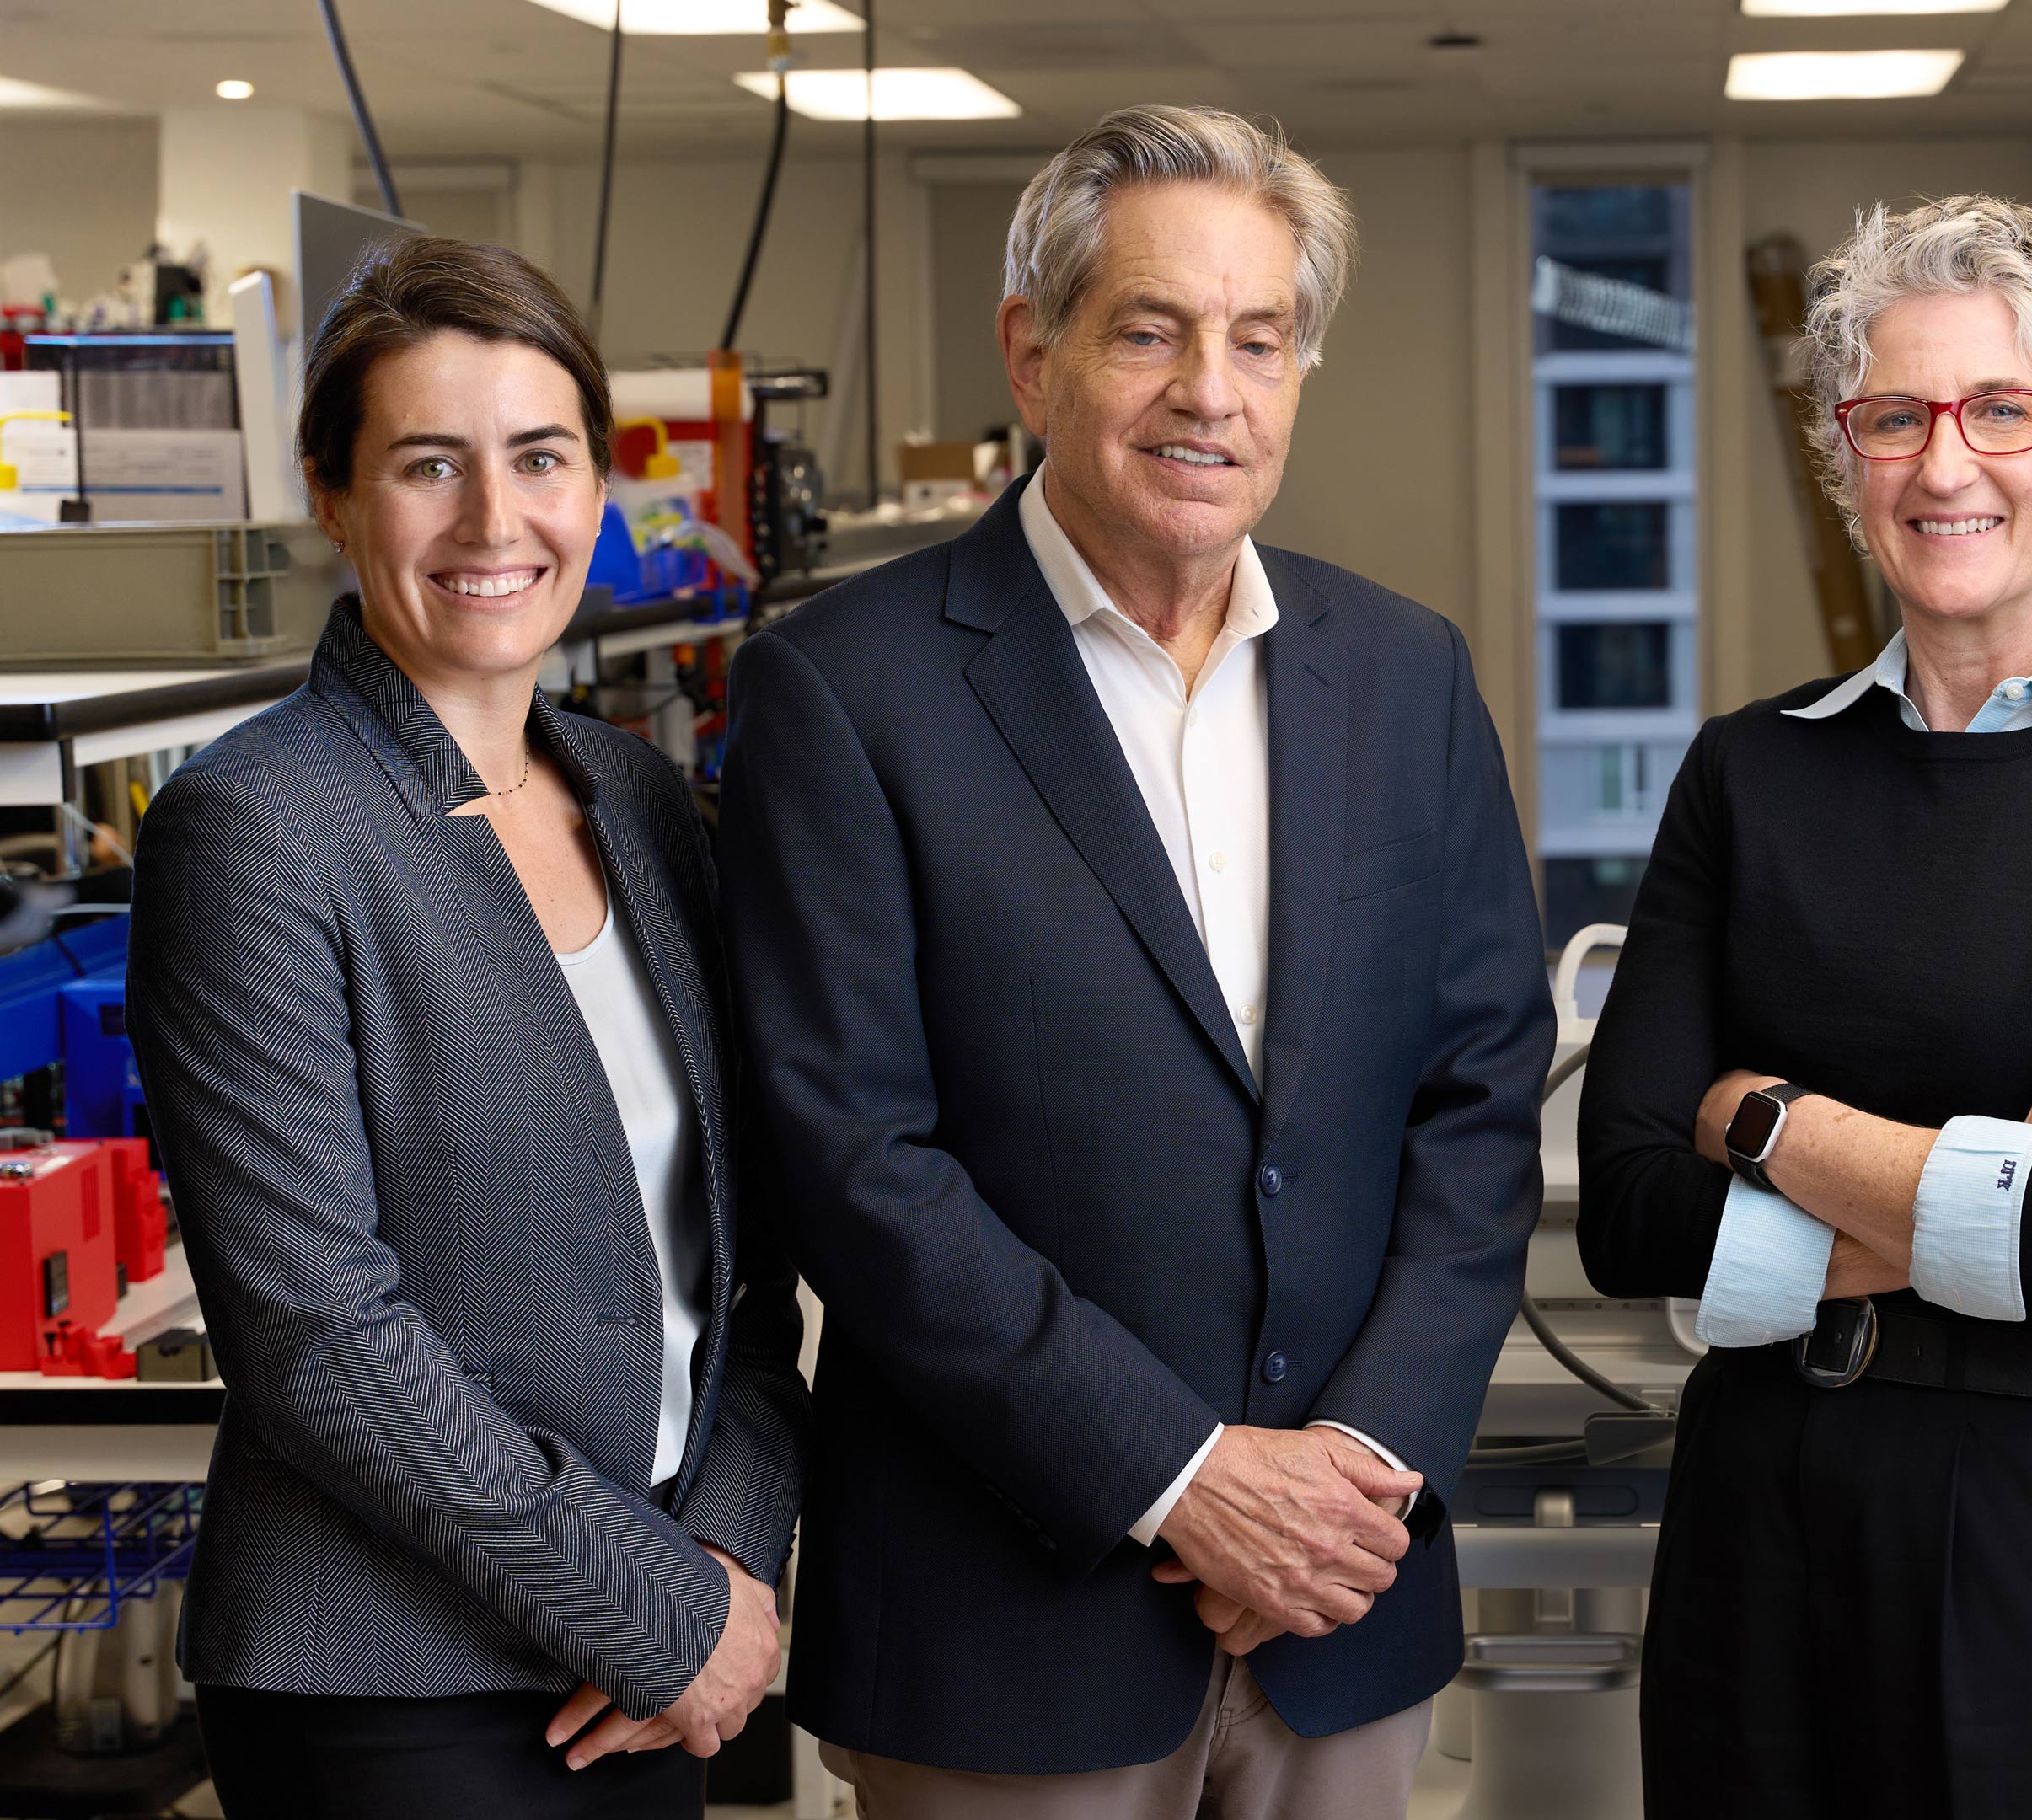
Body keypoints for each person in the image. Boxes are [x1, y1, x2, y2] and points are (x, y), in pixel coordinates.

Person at [721, 104, 1551, 1817]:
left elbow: (1478, 1101)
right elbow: (852, 1163)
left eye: (1260, 340)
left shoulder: (1400, 674)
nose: (1211, 392)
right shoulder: (846, 690)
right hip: (1009, 1625)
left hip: (1345, 1606)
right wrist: (1181, 1480)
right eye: (1152, 331)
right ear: (1035, 355)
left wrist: (1358, 1475)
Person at [1577, 195, 2032, 1819]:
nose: (1942, 463)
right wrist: (2001, 1171)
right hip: (1763, 1529)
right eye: (1893, 418)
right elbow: (1628, 1217)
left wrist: (1765, 1122)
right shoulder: (1749, 773)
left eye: (2002, 410)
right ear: (1848, 461)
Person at [123, 236, 807, 1816]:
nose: (497, 523)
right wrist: (652, 1609)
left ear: (594, 484)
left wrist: (726, 1552)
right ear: (334, 492)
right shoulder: (260, 827)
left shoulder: (635, 798)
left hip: (649, 1652)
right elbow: (319, 1333)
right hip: (392, 1684)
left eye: (540, 457)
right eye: (430, 464)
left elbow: (750, 1257)